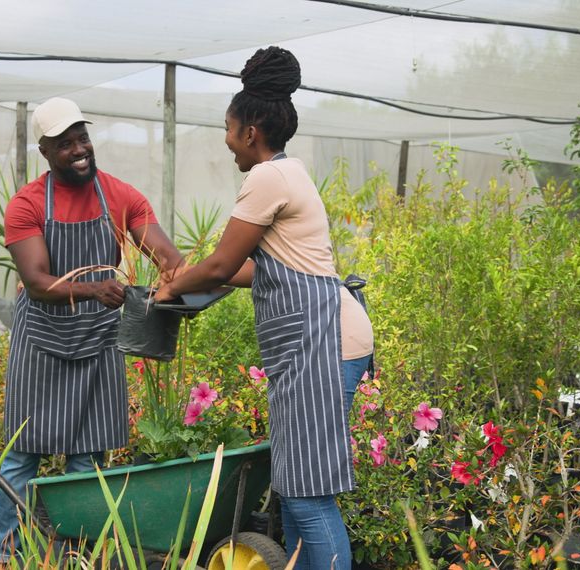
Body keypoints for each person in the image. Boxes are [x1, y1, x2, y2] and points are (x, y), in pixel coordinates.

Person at [156, 46, 371, 570]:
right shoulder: (287, 173)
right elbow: (255, 270)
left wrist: (171, 290)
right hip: (318, 340)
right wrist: (187, 278)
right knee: (297, 486)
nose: (228, 143)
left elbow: (223, 264)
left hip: (324, 343)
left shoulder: (268, 177)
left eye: (229, 130)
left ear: (250, 132)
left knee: (307, 493)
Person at [0, 97, 183, 561]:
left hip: (99, 341)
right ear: (45, 151)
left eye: (82, 138)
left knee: (91, 456)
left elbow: (168, 259)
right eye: (65, 143)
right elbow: (37, 284)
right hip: (41, 340)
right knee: (23, 455)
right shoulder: (27, 204)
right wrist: (97, 288)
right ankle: (6, 554)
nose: (79, 149)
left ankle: (81, 554)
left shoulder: (121, 196)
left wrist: (171, 284)